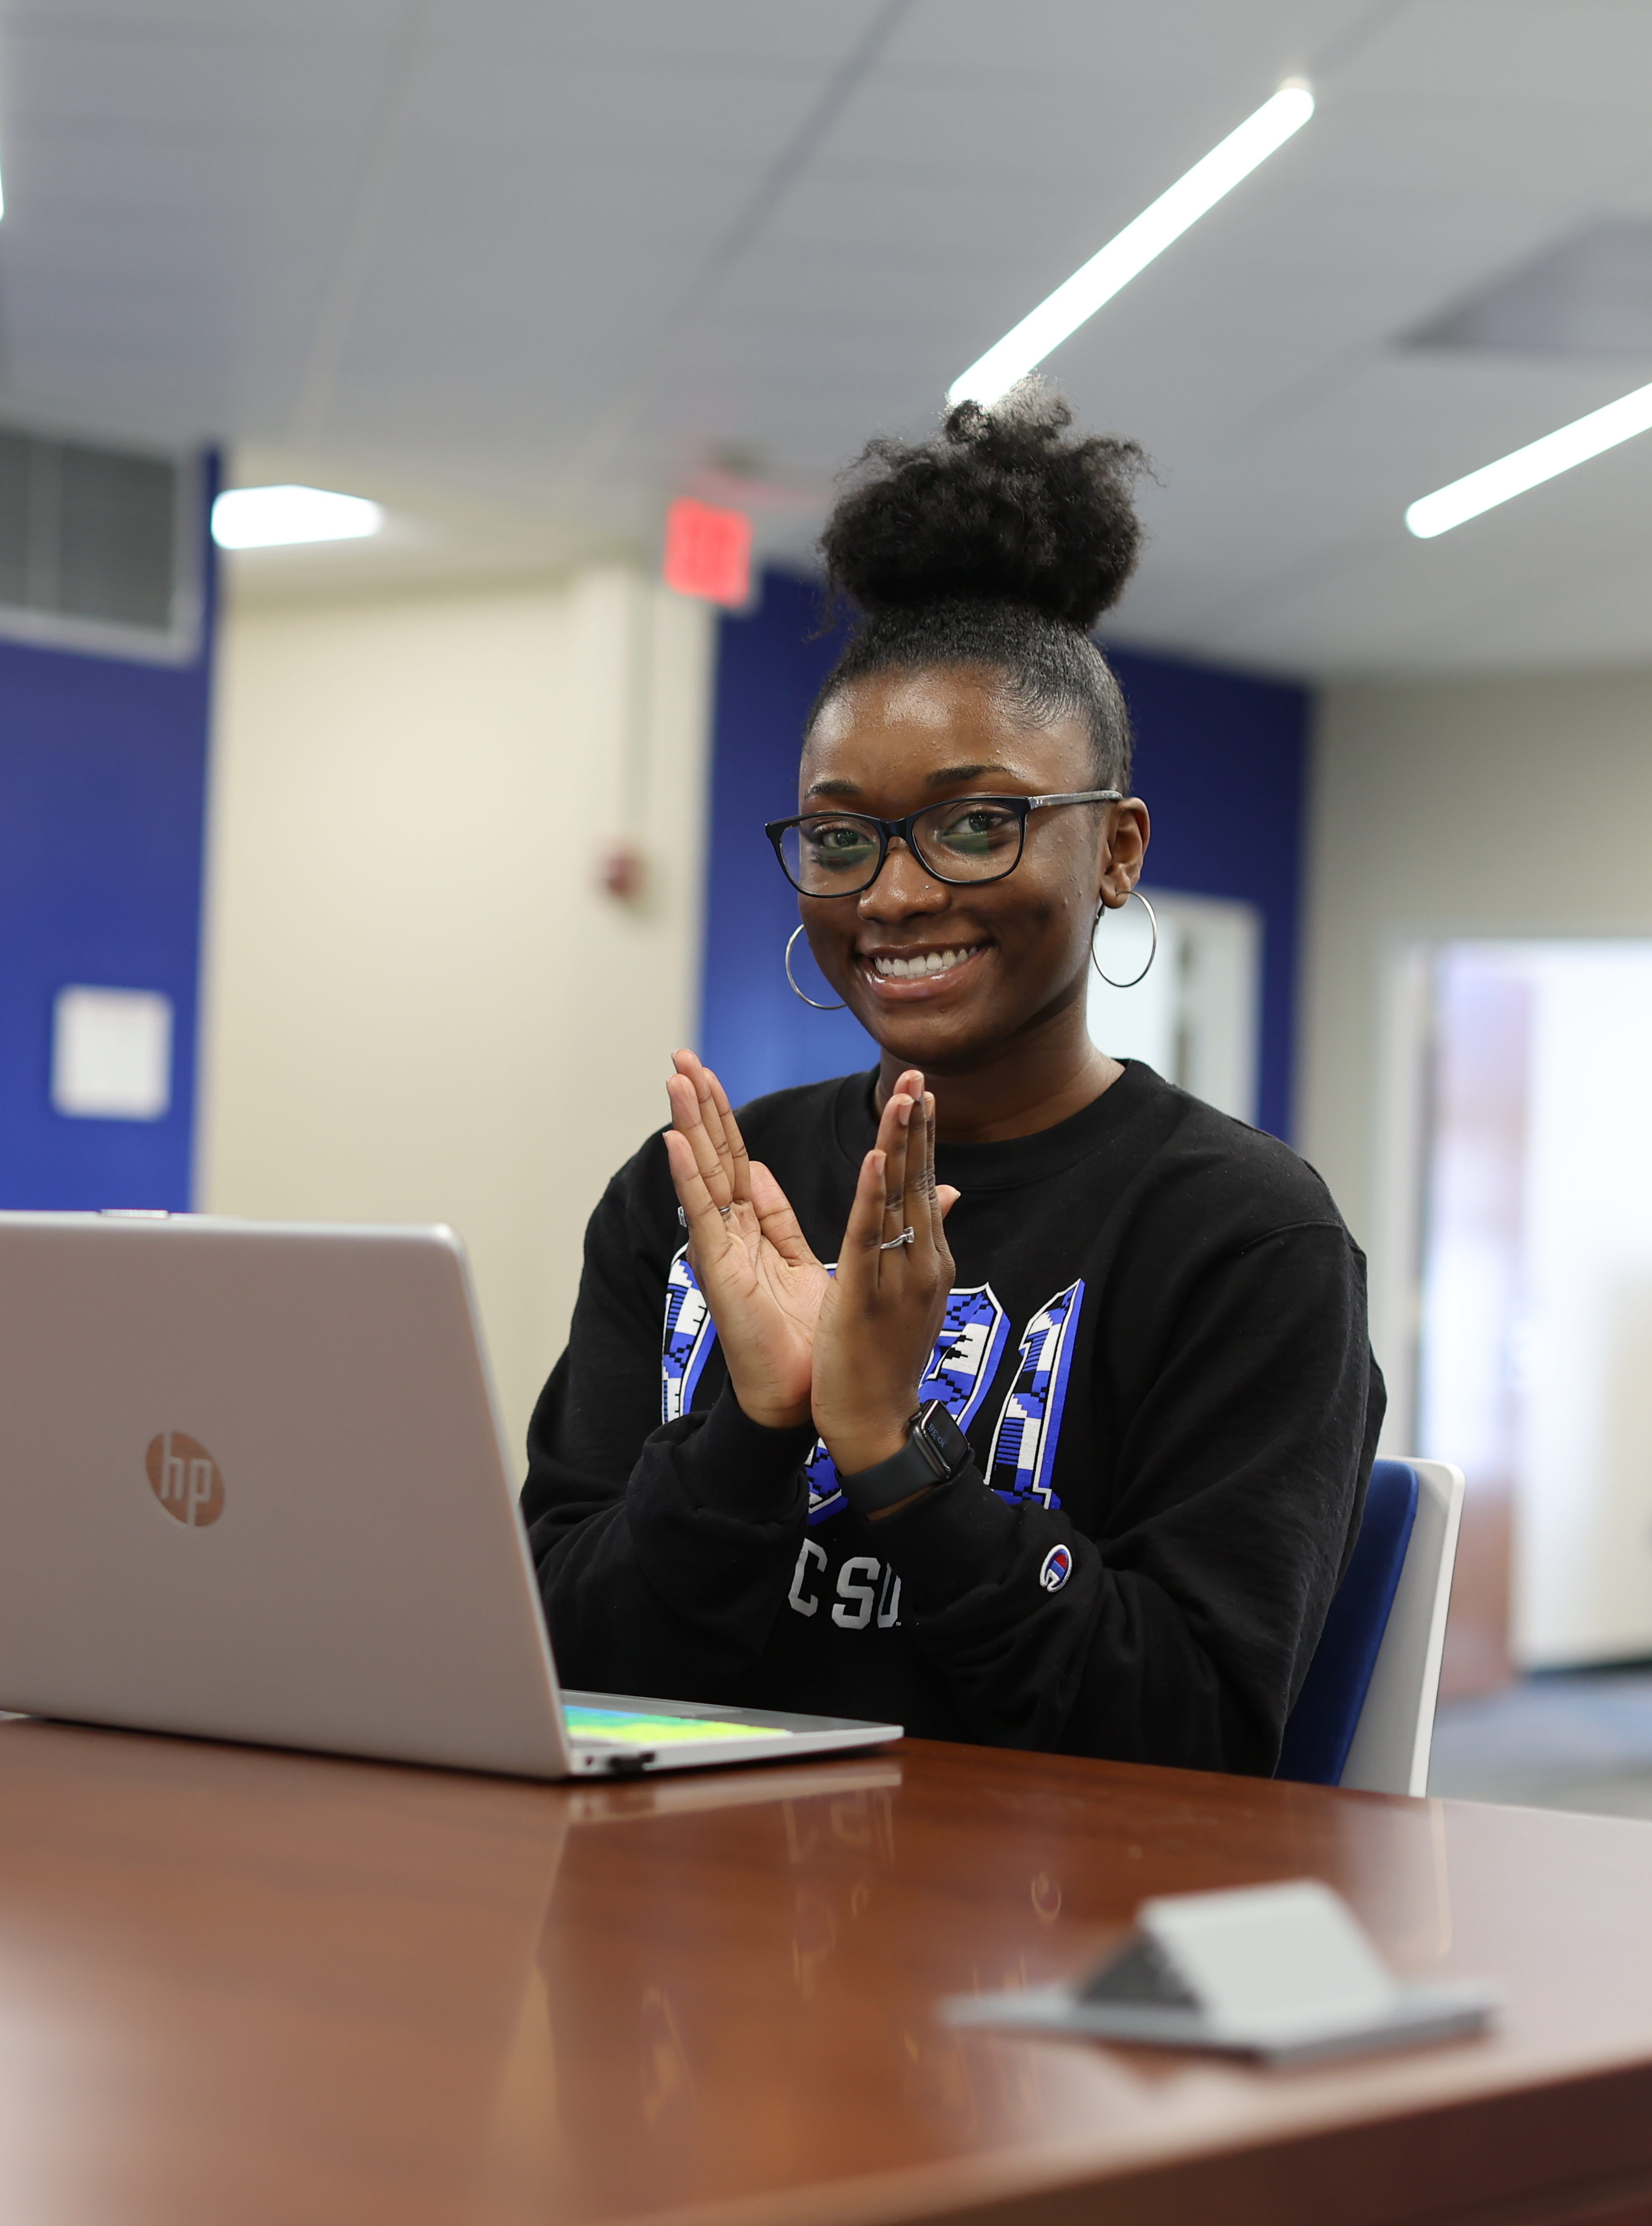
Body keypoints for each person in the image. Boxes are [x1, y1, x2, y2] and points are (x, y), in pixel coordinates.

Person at [520, 395, 1380, 1773]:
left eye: (979, 824)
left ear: (1115, 850)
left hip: (1035, 1952)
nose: (900, 892)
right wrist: (758, 1423)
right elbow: (565, 1662)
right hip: (693, 1936)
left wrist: (888, 1450)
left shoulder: (1240, 1237)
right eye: (843, 836)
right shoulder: (700, 1199)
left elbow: (1199, 1738)